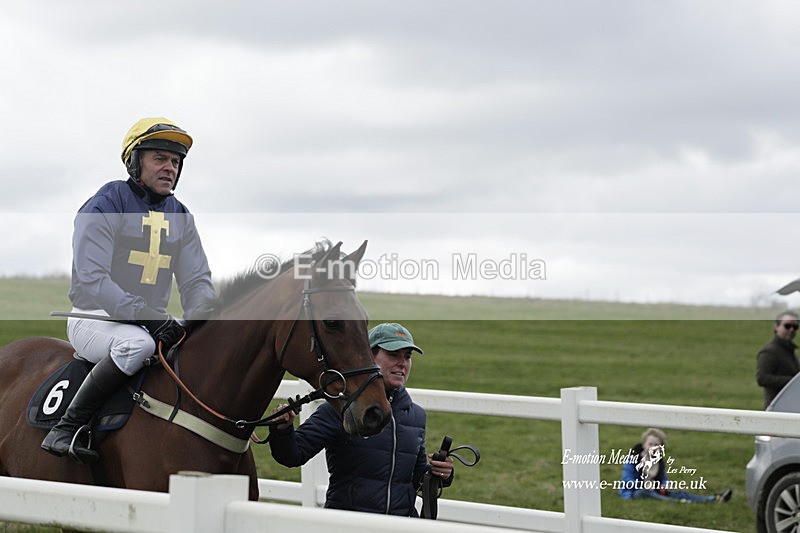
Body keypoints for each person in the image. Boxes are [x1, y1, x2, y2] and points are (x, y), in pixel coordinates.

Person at [41, 117, 217, 462]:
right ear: (135, 161)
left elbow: (197, 281)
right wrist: (150, 318)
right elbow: (93, 278)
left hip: (149, 321)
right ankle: (66, 427)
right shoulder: (106, 202)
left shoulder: (181, 215)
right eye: (160, 158)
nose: (170, 168)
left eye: (176, 161)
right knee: (137, 345)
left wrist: (201, 317)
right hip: (95, 318)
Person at [268, 322, 454, 516]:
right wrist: (283, 430)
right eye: (393, 355)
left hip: (400, 525)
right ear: (369, 357)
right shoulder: (339, 409)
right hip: (349, 525)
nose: (402, 363)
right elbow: (292, 455)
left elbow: (414, 480)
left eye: (407, 357)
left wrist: (440, 473)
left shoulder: (415, 415)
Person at [619, 428, 732, 503]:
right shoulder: (633, 460)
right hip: (635, 492)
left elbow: (663, 478)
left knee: (680, 493)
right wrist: (645, 485)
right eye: (650, 444)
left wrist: (664, 485)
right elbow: (627, 480)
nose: (653, 447)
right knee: (644, 493)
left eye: (657, 445)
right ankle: (676, 502)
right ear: (644, 445)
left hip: (656, 490)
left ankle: (713, 499)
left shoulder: (659, 462)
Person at [756, 311, 800, 409]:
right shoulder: (769, 351)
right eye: (787, 326)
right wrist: (793, 382)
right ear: (776, 327)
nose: (792, 329)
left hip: (790, 406)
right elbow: (762, 378)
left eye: (795, 327)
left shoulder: (789, 350)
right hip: (777, 407)